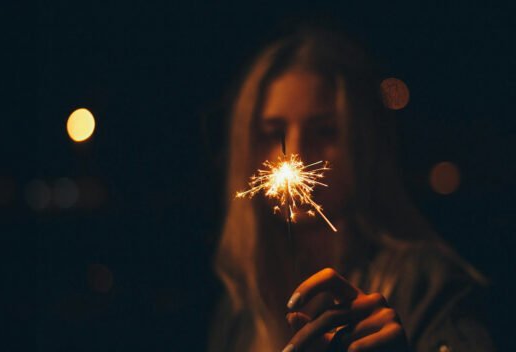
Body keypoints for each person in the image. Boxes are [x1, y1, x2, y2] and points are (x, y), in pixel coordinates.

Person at [208, 27, 493, 352]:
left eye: (326, 131)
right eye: (275, 134)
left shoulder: (427, 284)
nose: (295, 154)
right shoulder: (240, 308)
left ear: (363, 143)